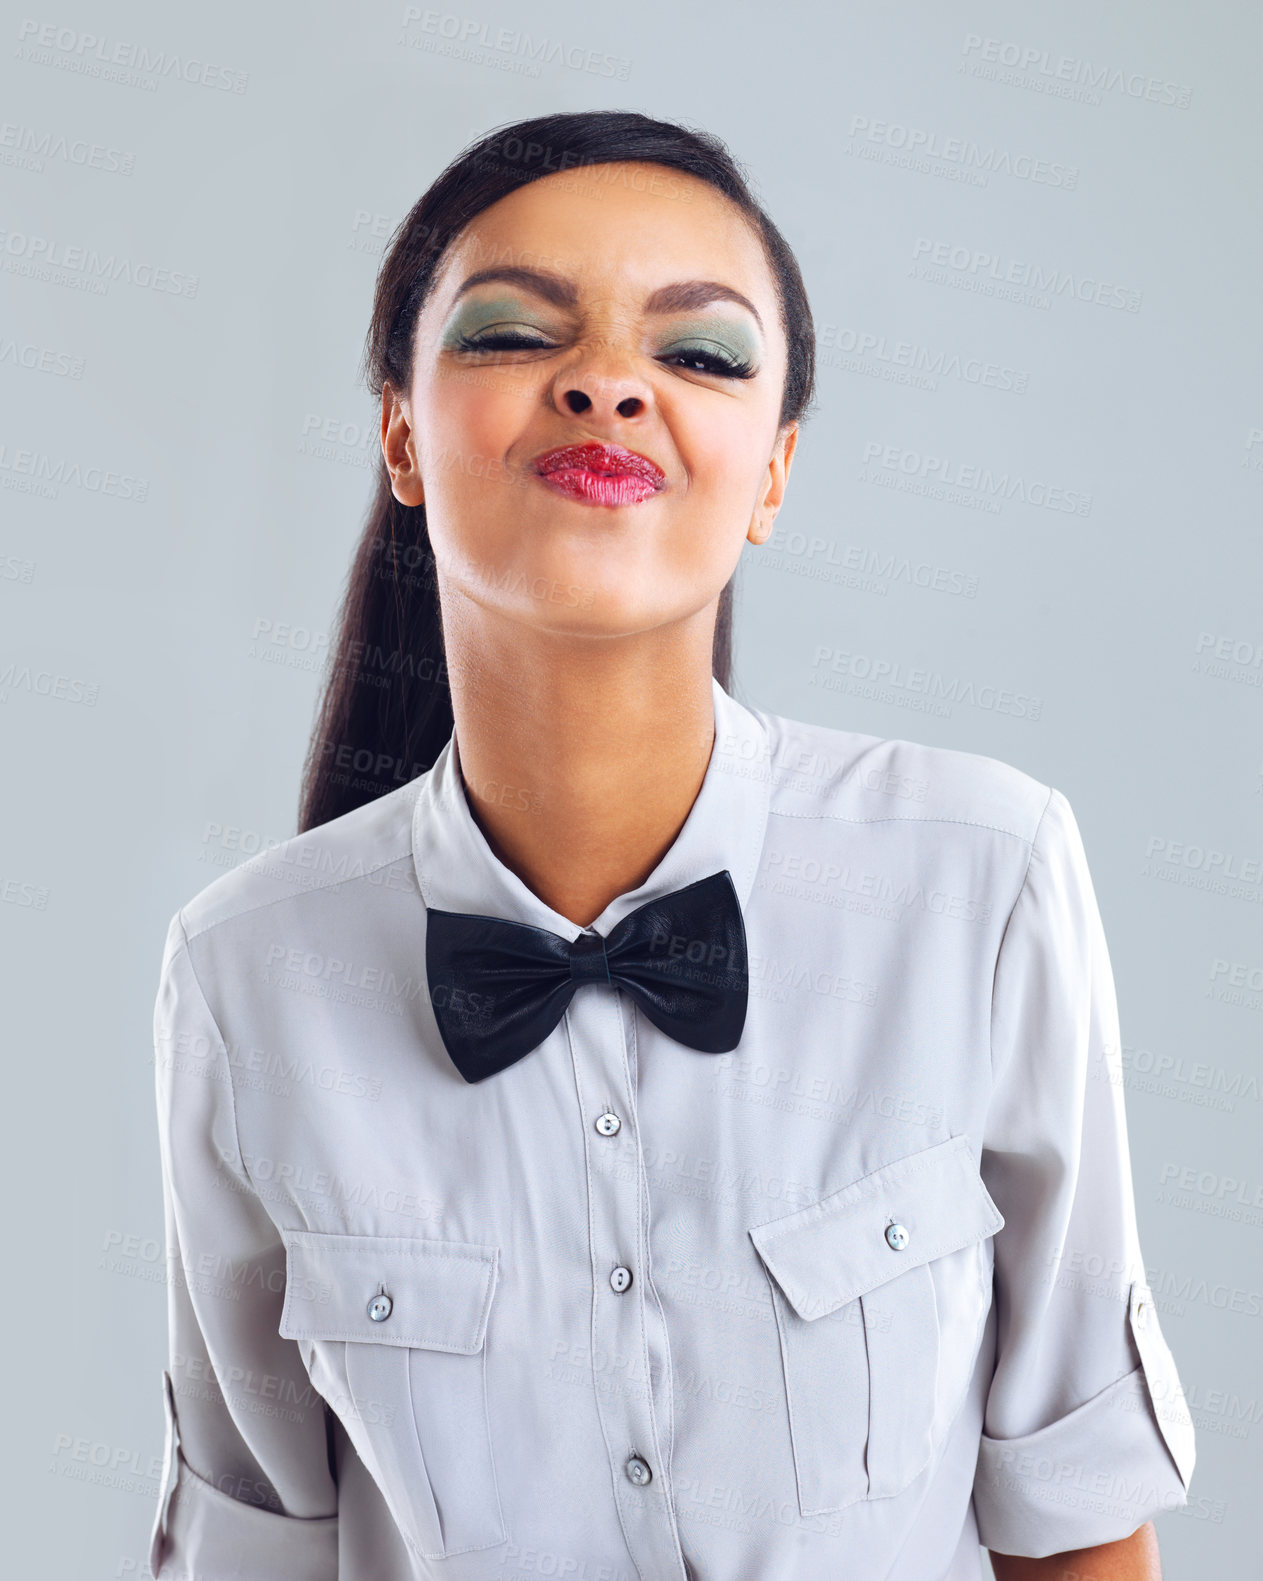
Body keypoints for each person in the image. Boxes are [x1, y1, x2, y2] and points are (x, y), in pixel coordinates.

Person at [147, 110, 1195, 1581]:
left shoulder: (987, 882)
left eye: (697, 355)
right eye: (517, 334)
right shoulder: (243, 978)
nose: (605, 385)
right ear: (399, 433)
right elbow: (252, 1550)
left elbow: (1077, 1518)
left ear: (771, 471)